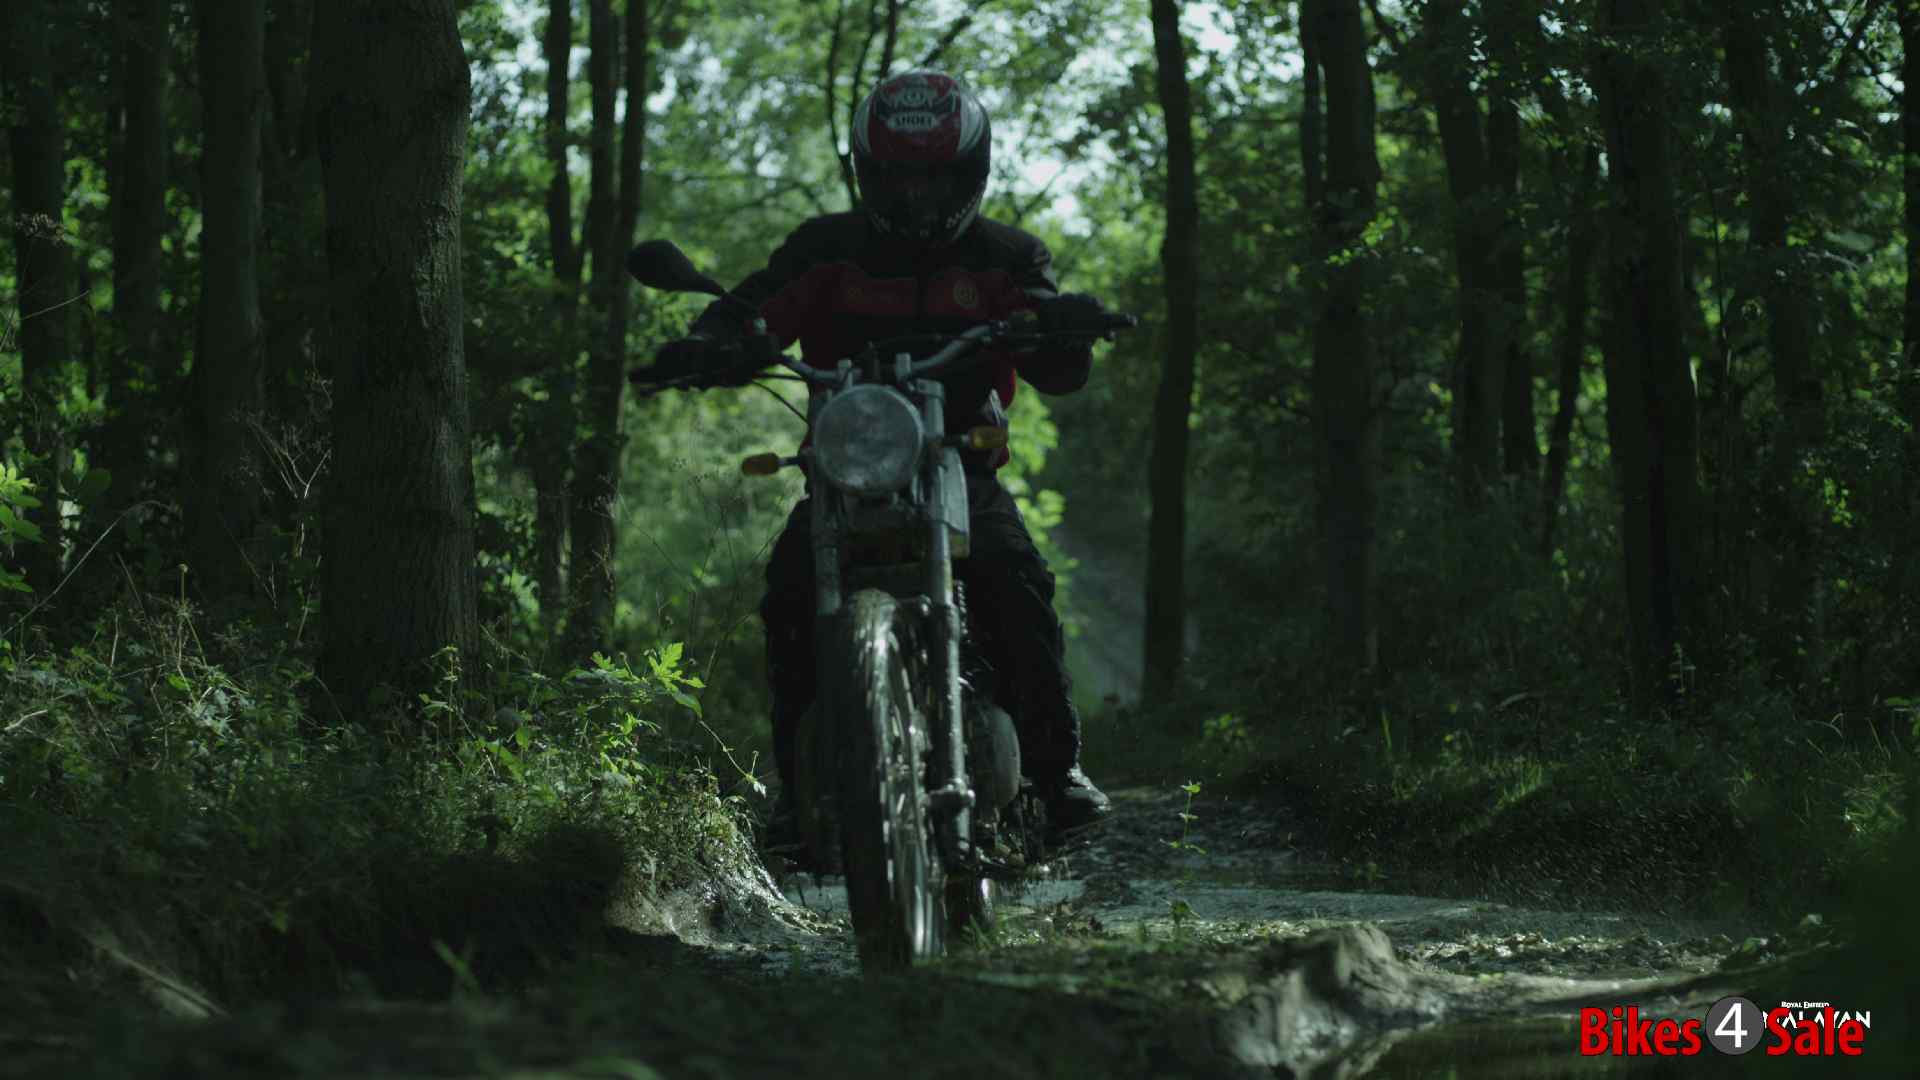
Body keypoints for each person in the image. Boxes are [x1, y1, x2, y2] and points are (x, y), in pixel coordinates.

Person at [642, 69, 1115, 838]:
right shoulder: (825, 249)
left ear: (970, 172)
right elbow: (758, 306)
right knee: (791, 589)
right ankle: (799, 793)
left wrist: (1062, 327)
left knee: (1013, 573)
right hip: (845, 472)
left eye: (936, 179)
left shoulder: (1006, 255)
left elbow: (1054, 352)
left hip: (961, 465)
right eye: (897, 178)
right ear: (868, 174)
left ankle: (1056, 771)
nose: (916, 196)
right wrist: (713, 341)